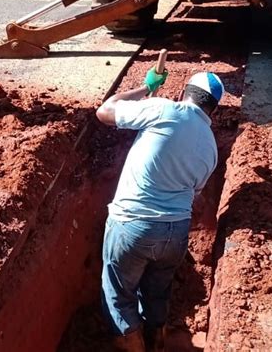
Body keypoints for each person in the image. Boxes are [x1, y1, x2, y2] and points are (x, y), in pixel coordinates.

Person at [96, 68, 225, 352]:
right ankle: (157, 345)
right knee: (157, 293)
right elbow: (194, 194)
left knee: (118, 296)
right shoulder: (211, 147)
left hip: (132, 223)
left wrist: (145, 87)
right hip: (175, 232)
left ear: (183, 94)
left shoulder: (165, 109)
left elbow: (105, 111)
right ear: (213, 108)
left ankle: (132, 344)